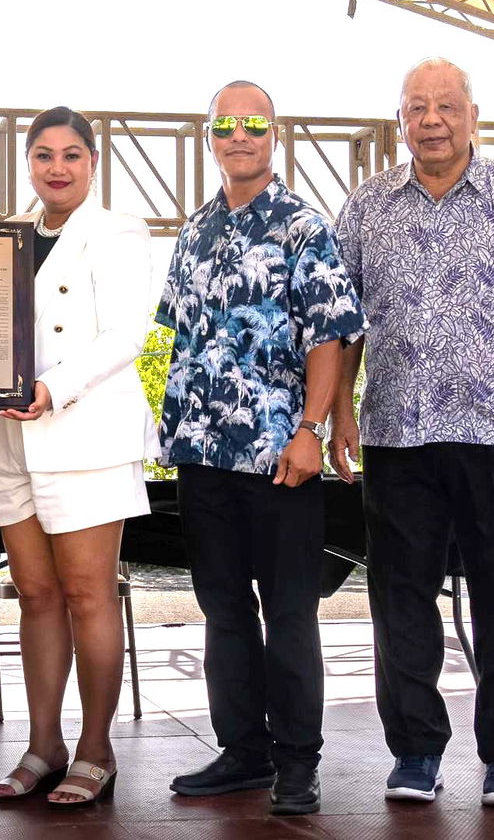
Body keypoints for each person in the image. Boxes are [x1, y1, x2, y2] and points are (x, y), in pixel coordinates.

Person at [329, 57, 494, 808]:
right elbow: (344, 325)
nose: (431, 119)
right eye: (416, 107)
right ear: (400, 121)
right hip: (397, 437)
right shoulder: (368, 206)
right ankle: (414, 752)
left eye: (446, 106)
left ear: (473, 115)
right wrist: (339, 409)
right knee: (399, 600)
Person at [157, 81, 366, 816]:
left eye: (254, 124)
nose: (239, 135)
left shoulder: (304, 227)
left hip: (280, 455)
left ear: (274, 134)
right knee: (222, 609)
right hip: (202, 455)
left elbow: (332, 335)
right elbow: (179, 333)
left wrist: (312, 428)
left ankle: (297, 762)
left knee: (289, 610)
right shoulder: (194, 231)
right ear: (210, 136)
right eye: (226, 125)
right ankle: (242, 751)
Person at [0, 106, 164, 806]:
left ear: (93, 163)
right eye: (44, 154)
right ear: (28, 163)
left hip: (86, 436)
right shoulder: (5, 236)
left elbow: (127, 334)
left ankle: (96, 750)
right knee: (34, 596)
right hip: (10, 439)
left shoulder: (119, 233)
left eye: (72, 154)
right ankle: (44, 746)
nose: (58, 167)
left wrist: (53, 388)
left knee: (87, 596)